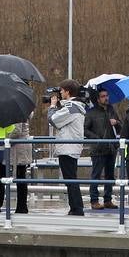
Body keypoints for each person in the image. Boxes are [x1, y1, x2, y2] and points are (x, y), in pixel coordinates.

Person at [48, 80, 87, 216]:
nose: (60, 93)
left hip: (68, 147)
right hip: (71, 146)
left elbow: (53, 119)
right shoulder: (74, 106)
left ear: (67, 92)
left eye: (62, 91)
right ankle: (76, 207)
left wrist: (52, 106)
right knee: (71, 178)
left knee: (70, 179)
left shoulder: (72, 107)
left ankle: (77, 209)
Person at [84, 87, 119, 209]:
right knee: (96, 175)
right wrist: (96, 138)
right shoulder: (91, 112)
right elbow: (85, 130)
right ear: (98, 99)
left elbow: (121, 128)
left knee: (110, 176)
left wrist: (117, 123)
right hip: (98, 149)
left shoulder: (111, 110)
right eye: (103, 96)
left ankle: (107, 200)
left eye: (107, 95)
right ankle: (94, 201)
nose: (106, 98)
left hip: (111, 148)